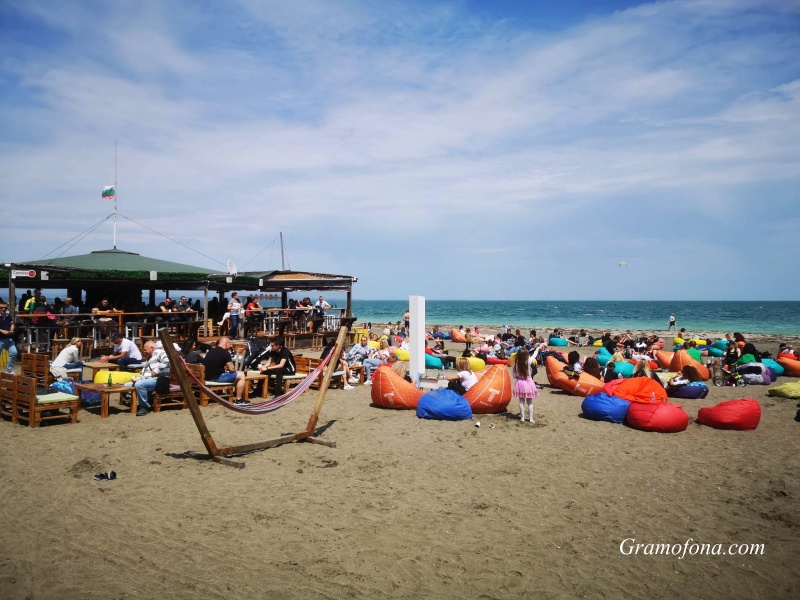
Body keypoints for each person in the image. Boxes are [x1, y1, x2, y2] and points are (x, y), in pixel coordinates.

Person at [130, 340, 171, 416]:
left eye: (145, 349)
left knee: (139, 385)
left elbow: (166, 360)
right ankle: (134, 402)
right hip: (147, 379)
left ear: (152, 348)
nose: (144, 351)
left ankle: (144, 407)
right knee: (127, 385)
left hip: (159, 380)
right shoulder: (150, 356)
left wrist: (156, 370)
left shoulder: (159, 352)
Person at [202, 336, 246, 403]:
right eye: (230, 344)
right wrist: (236, 371)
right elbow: (232, 369)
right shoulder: (225, 353)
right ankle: (238, 399)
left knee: (237, 374)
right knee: (241, 375)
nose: (231, 346)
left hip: (207, 377)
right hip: (216, 378)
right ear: (226, 343)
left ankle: (236, 395)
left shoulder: (211, 351)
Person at [512, 348, 539, 423]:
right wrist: (537, 349)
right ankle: (531, 418)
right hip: (528, 382)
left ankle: (522, 418)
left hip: (520, 383)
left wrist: (519, 377)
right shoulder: (528, 362)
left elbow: (514, 376)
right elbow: (534, 356)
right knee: (530, 402)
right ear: (526, 356)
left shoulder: (516, 364)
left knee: (521, 402)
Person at [0, 300, 18, 374]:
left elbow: (12, 323)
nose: (3, 309)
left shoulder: (8, 316)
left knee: (14, 353)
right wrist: (1, 331)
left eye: (5, 308)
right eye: (1, 308)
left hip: (8, 339)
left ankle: (9, 370)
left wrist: (11, 330)